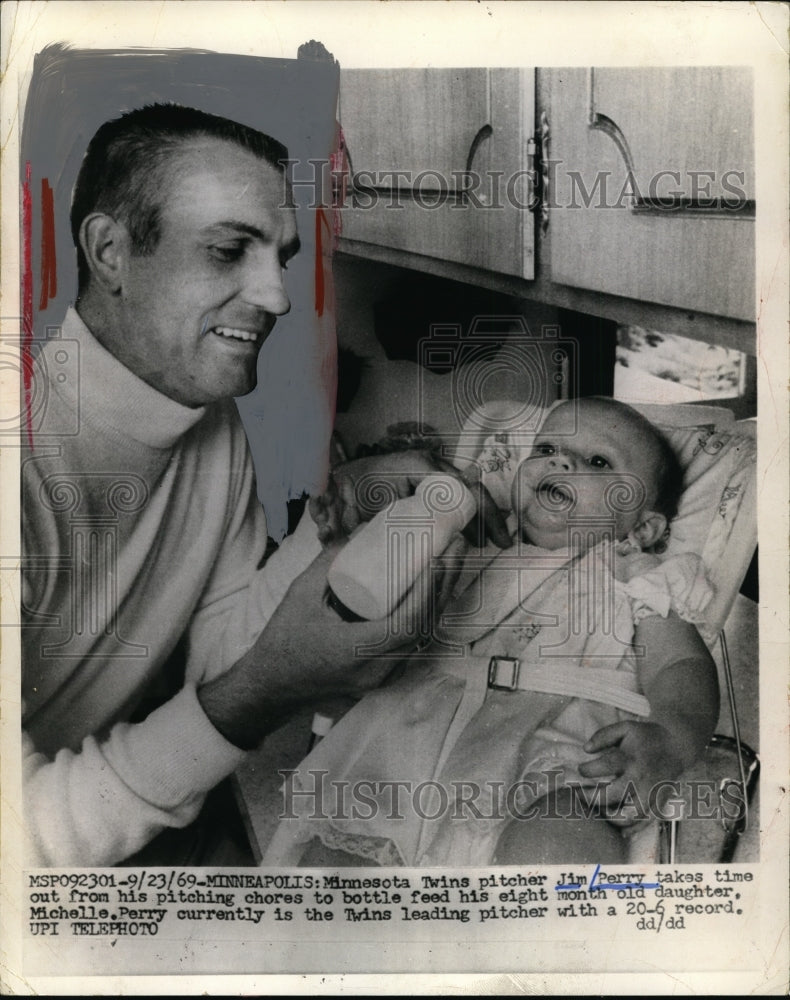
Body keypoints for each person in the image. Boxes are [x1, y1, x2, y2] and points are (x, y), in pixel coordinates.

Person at [21, 104, 507, 867]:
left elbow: (224, 655)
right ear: (111, 252)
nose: (278, 297)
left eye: (279, 257)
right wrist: (264, 694)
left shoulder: (210, 422)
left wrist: (336, 511)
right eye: (227, 251)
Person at [264, 397, 720, 867]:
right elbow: (379, 603)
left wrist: (674, 735)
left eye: (598, 462)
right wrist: (361, 541)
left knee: (557, 844)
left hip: (557, 756)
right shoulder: (471, 539)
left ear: (642, 528)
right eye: (546, 449)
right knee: (339, 850)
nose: (561, 461)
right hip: (407, 739)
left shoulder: (637, 576)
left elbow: (680, 662)